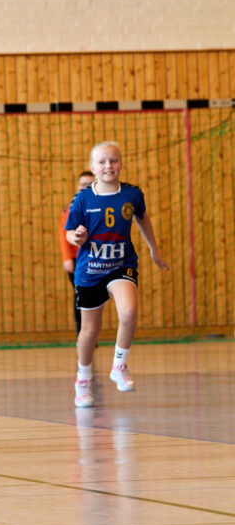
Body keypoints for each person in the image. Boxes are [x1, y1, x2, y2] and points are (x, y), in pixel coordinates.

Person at [65, 141, 169, 408]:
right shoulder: (83, 199)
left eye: (113, 161)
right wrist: (75, 237)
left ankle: (119, 365)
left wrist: (153, 249)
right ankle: (83, 379)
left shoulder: (132, 194)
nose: (108, 166)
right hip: (90, 270)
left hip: (121, 264)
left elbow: (143, 218)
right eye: (102, 162)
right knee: (90, 331)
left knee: (129, 312)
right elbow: (69, 231)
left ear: (121, 163)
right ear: (93, 167)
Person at [60, 171, 95, 336]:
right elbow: (63, 234)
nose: (86, 187)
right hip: (76, 259)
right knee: (80, 295)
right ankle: (82, 333)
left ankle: (90, 332)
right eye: (83, 184)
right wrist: (67, 258)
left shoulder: (100, 205)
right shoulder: (71, 208)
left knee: (94, 296)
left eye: (90, 183)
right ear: (77, 186)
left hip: (95, 257)